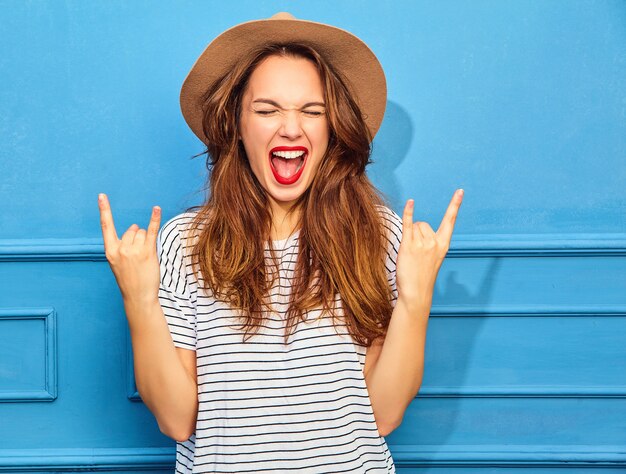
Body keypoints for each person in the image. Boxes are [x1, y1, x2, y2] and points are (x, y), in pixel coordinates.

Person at [98, 12, 463, 473]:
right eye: (267, 110)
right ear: (237, 125)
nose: (291, 128)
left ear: (333, 130)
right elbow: (175, 420)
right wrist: (139, 300)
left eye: (312, 111)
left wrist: (416, 297)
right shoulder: (183, 242)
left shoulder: (381, 234)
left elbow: (384, 415)